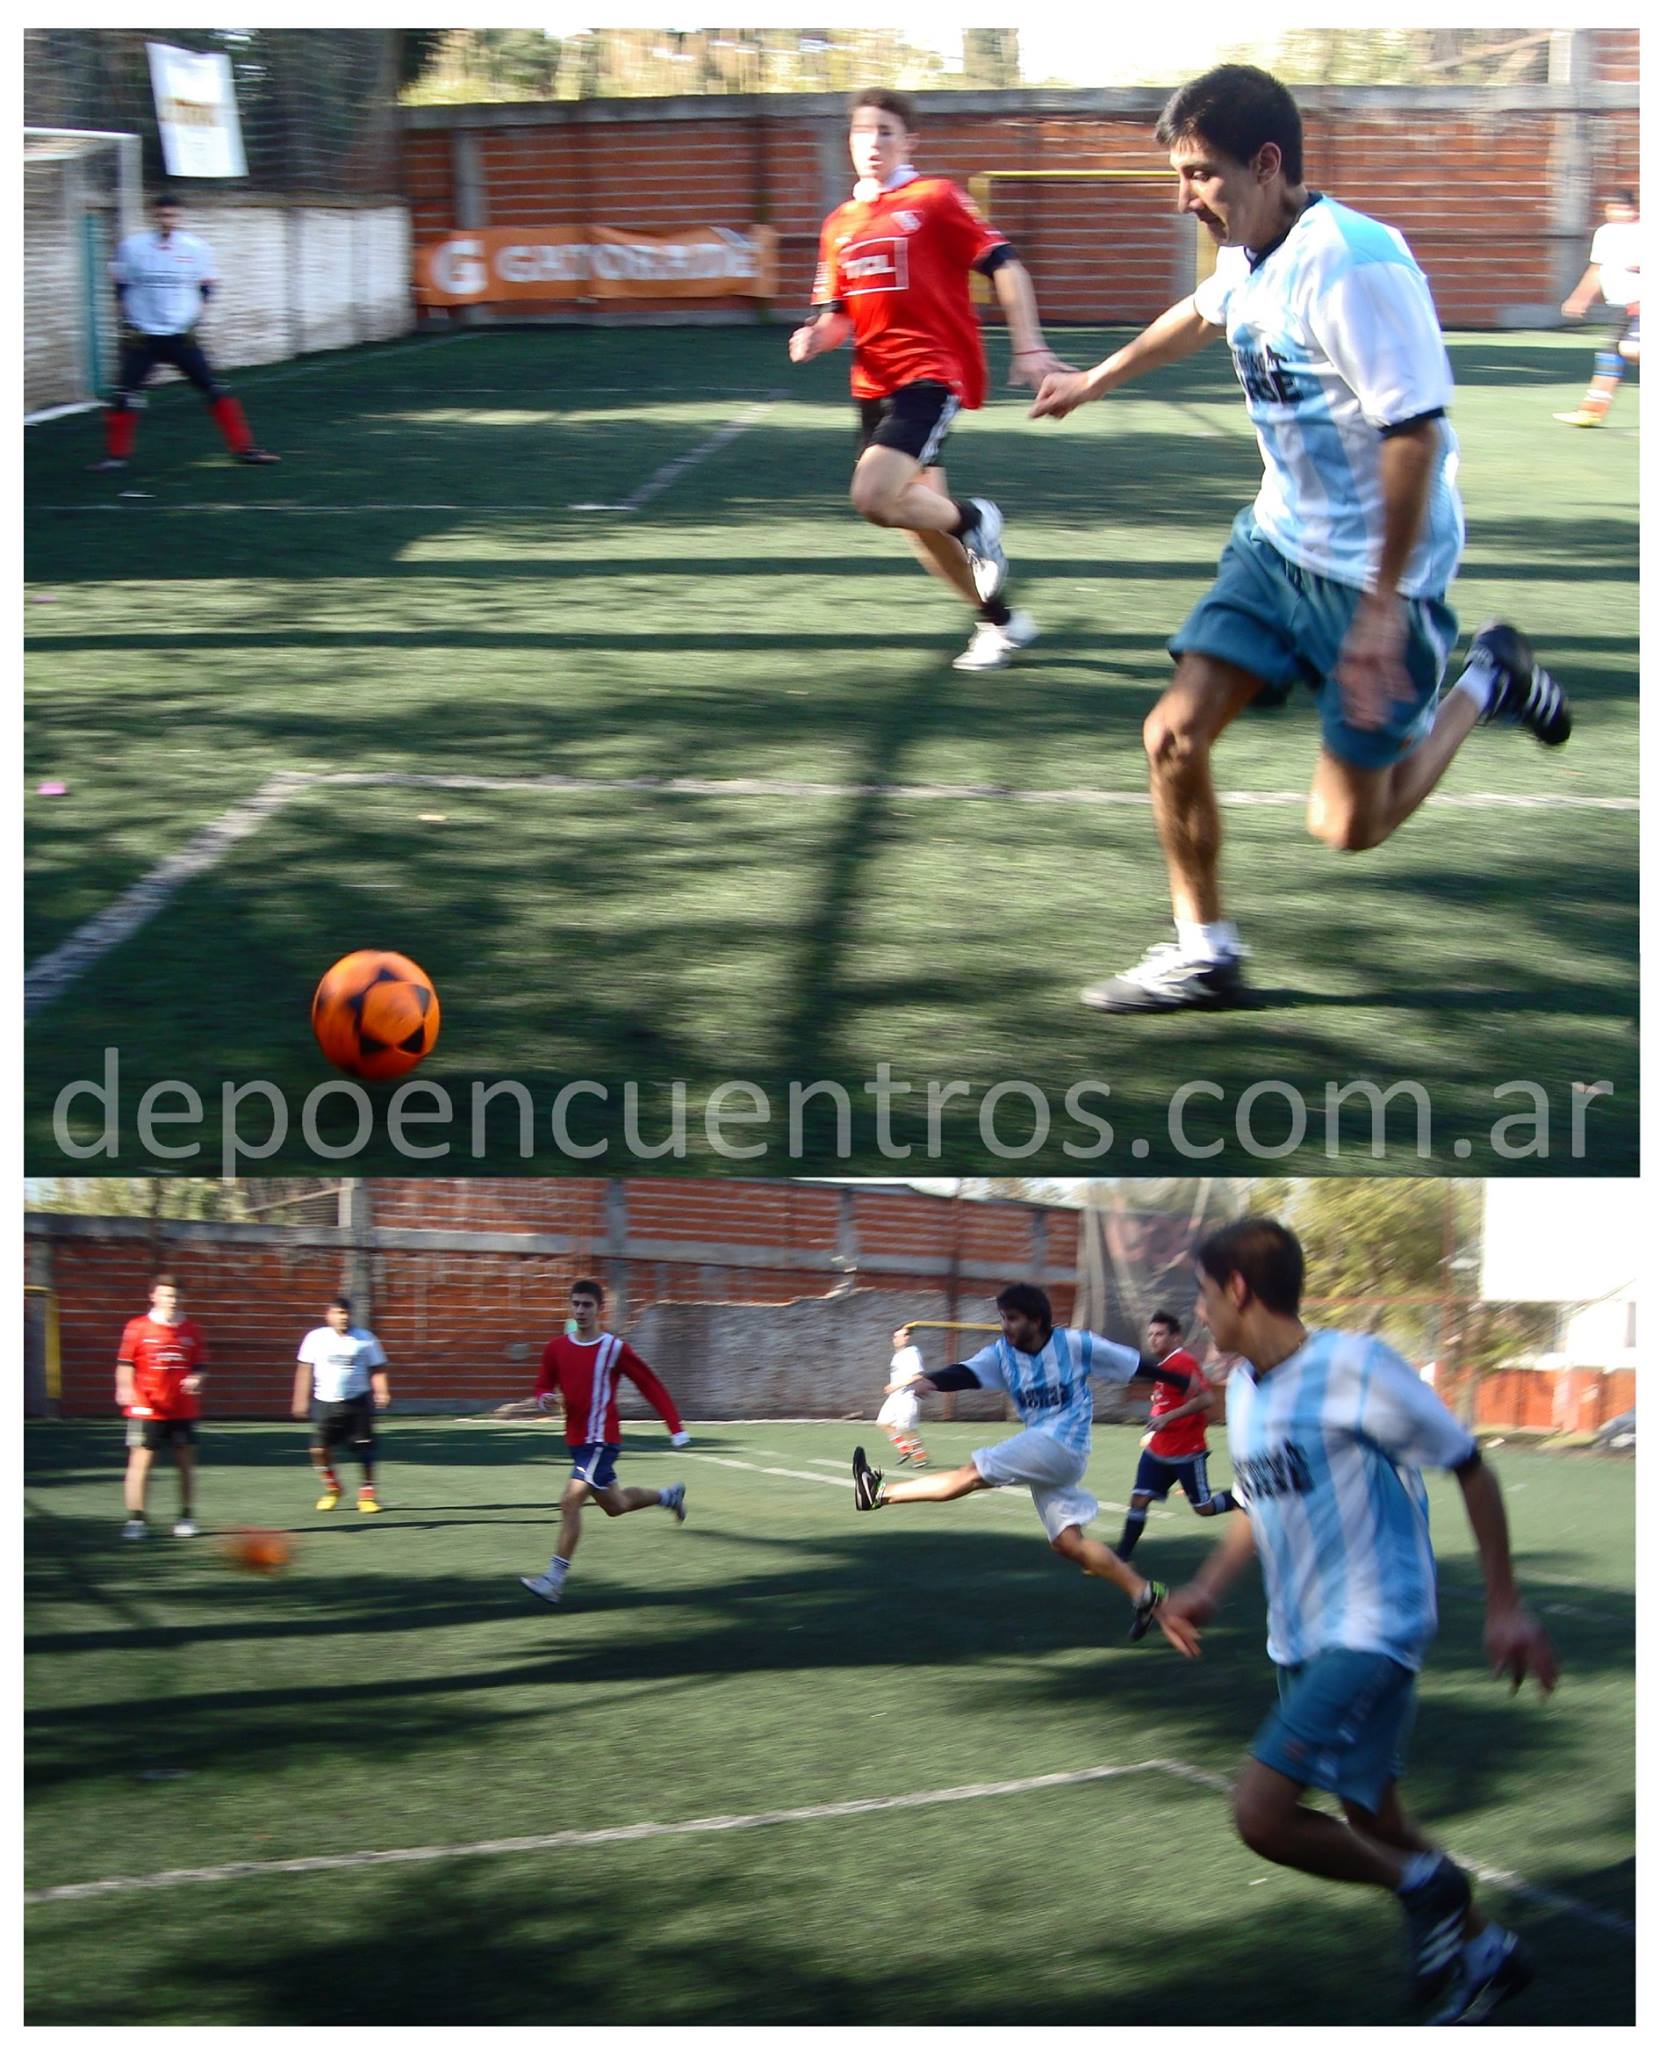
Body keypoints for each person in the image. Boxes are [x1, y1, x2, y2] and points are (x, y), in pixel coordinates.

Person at [1030, 65, 1572, 1014]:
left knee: (1348, 826)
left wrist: (1378, 613)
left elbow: (1415, 435)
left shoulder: (1355, 264)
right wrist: (1096, 380)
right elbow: (1201, 315)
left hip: (1377, 577)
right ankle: (1205, 953)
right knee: (1171, 736)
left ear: (1268, 163)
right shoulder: (1247, 251)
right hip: (1276, 547)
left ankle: (1487, 680)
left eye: (1200, 174)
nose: (1186, 198)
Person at [1164, 1217, 1556, 2024]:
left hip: (1374, 1627)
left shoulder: (1356, 1367)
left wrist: (1505, 1603)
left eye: (1203, 1293)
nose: (1200, 1311)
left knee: (1260, 1815)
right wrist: (1206, 1587)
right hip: (1301, 1636)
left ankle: (1425, 1887)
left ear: (1238, 1288)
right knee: (1373, 1816)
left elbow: (1470, 1466)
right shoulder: (1245, 1390)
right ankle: (1489, 1953)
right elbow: (1260, 1499)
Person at [790, 88, 1072, 672]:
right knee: (917, 522)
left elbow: (1006, 266)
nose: (872, 142)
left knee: (873, 497)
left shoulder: (936, 198)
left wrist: (1029, 345)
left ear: (909, 141)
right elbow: (838, 313)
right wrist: (818, 335)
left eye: (885, 131)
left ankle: (976, 519)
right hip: (874, 386)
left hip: (930, 373)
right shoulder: (839, 223)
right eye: (862, 131)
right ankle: (999, 623)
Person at [851, 1283, 1201, 1654]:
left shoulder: (1074, 1345)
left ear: (1036, 1320)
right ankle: (1144, 1593)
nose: (1005, 1326)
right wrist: (931, 1381)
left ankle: (879, 1493)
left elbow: (1132, 1365)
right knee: (1069, 1544)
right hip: (1047, 1451)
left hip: (1062, 1444)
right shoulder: (1002, 1354)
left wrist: (1182, 1381)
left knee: (971, 1474)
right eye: (1003, 1318)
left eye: (1012, 1318)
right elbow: (966, 1372)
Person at [519, 1278, 693, 1607]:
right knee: (616, 1505)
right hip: (577, 1442)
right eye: (576, 1304)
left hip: (601, 1441)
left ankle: (554, 1580)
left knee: (569, 1501)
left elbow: (649, 1384)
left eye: (587, 1305)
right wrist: (544, 1399)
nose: (580, 1310)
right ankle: (668, 1496)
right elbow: (543, 1384)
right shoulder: (556, 1348)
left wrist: (675, 1427)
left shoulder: (613, 1348)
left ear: (600, 1309)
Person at [89, 192, 279, 473]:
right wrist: (127, 322)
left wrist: (195, 318)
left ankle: (245, 449)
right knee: (124, 395)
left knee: (214, 389)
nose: (167, 220)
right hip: (144, 338)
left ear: (180, 217)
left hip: (181, 337)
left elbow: (206, 287)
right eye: (161, 215)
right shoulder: (132, 247)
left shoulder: (196, 248)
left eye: (172, 215)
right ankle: (115, 457)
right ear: (152, 215)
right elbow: (121, 286)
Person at [1111, 1308, 1238, 1560]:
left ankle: (1243, 1497)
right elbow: (1173, 1398)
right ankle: (1121, 1558)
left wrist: (1167, 1417)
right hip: (1158, 1451)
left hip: (1186, 1451)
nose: (1153, 1339)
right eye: (1150, 1334)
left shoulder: (1183, 1362)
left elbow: (1206, 1399)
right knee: (1139, 1499)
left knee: (1204, 1508)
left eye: (1159, 1334)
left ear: (1176, 1337)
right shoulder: (1165, 1365)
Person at [115, 1273, 208, 1540]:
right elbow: (125, 1364)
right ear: (153, 1296)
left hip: (183, 1409)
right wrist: (124, 1387)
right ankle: (136, 1519)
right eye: (166, 1295)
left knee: (185, 1463)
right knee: (140, 1463)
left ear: (183, 1298)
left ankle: (186, 1517)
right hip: (146, 1407)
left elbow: (201, 1366)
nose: (172, 1300)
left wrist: (196, 1379)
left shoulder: (192, 1329)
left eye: (176, 1295)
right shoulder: (137, 1327)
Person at [292, 1297, 391, 1514]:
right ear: (328, 1315)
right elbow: (305, 1369)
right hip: (325, 1402)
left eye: (346, 1313)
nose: (343, 1317)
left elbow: (378, 1367)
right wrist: (300, 1399)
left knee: (364, 1449)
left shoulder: (365, 1338)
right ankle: (332, 1487)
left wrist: (382, 1391)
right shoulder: (315, 1338)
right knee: (318, 1449)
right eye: (338, 1313)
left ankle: (367, 1494)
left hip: (357, 1402)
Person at [1556, 188, 1641, 427]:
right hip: (1620, 304)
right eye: (1616, 209)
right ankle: (1592, 411)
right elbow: (1596, 269)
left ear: (1634, 208)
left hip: (1640, 303)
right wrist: (1580, 298)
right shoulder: (1604, 233)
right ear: (1607, 209)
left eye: (1626, 209)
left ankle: (1591, 410)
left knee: (1622, 351)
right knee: (1618, 354)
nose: (1621, 214)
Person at [876, 1323, 930, 1465]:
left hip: (908, 1395)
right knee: (883, 1422)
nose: (902, 1338)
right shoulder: (896, 1356)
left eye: (905, 1335)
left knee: (904, 1427)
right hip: (895, 1396)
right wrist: (892, 1387)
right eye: (898, 1336)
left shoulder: (912, 1352)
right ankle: (905, 1449)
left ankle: (920, 1457)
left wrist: (896, 1386)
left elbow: (918, 1375)